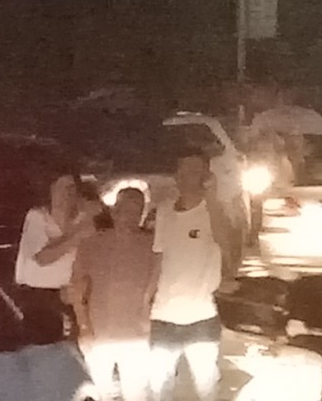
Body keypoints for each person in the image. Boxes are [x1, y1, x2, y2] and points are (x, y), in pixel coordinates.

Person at [147, 151, 233, 401]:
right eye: (183, 171)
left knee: (207, 386)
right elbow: (158, 257)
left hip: (201, 317)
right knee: (159, 387)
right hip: (163, 316)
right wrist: (145, 300)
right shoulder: (164, 211)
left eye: (195, 171)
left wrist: (213, 196)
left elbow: (226, 244)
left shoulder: (213, 211)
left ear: (205, 175)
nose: (187, 177)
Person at [72, 186, 156, 401]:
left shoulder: (153, 245)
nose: (131, 216)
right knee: (99, 394)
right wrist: (83, 327)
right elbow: (77, 288)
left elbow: (158, 286)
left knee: (137, 395)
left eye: (137, 211)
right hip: (98, 335)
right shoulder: (91, 244)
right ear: (114, 211)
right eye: (126, 209)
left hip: (137, 336)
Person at [14, 172, 99, 344]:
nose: (68, 193)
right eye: (62, 187)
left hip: (70, 295)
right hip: (38, 298)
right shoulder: (38, 217)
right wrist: (77, 235)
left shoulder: (83, 219)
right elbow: (42, 258)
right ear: (51, 190)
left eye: (72, 187)